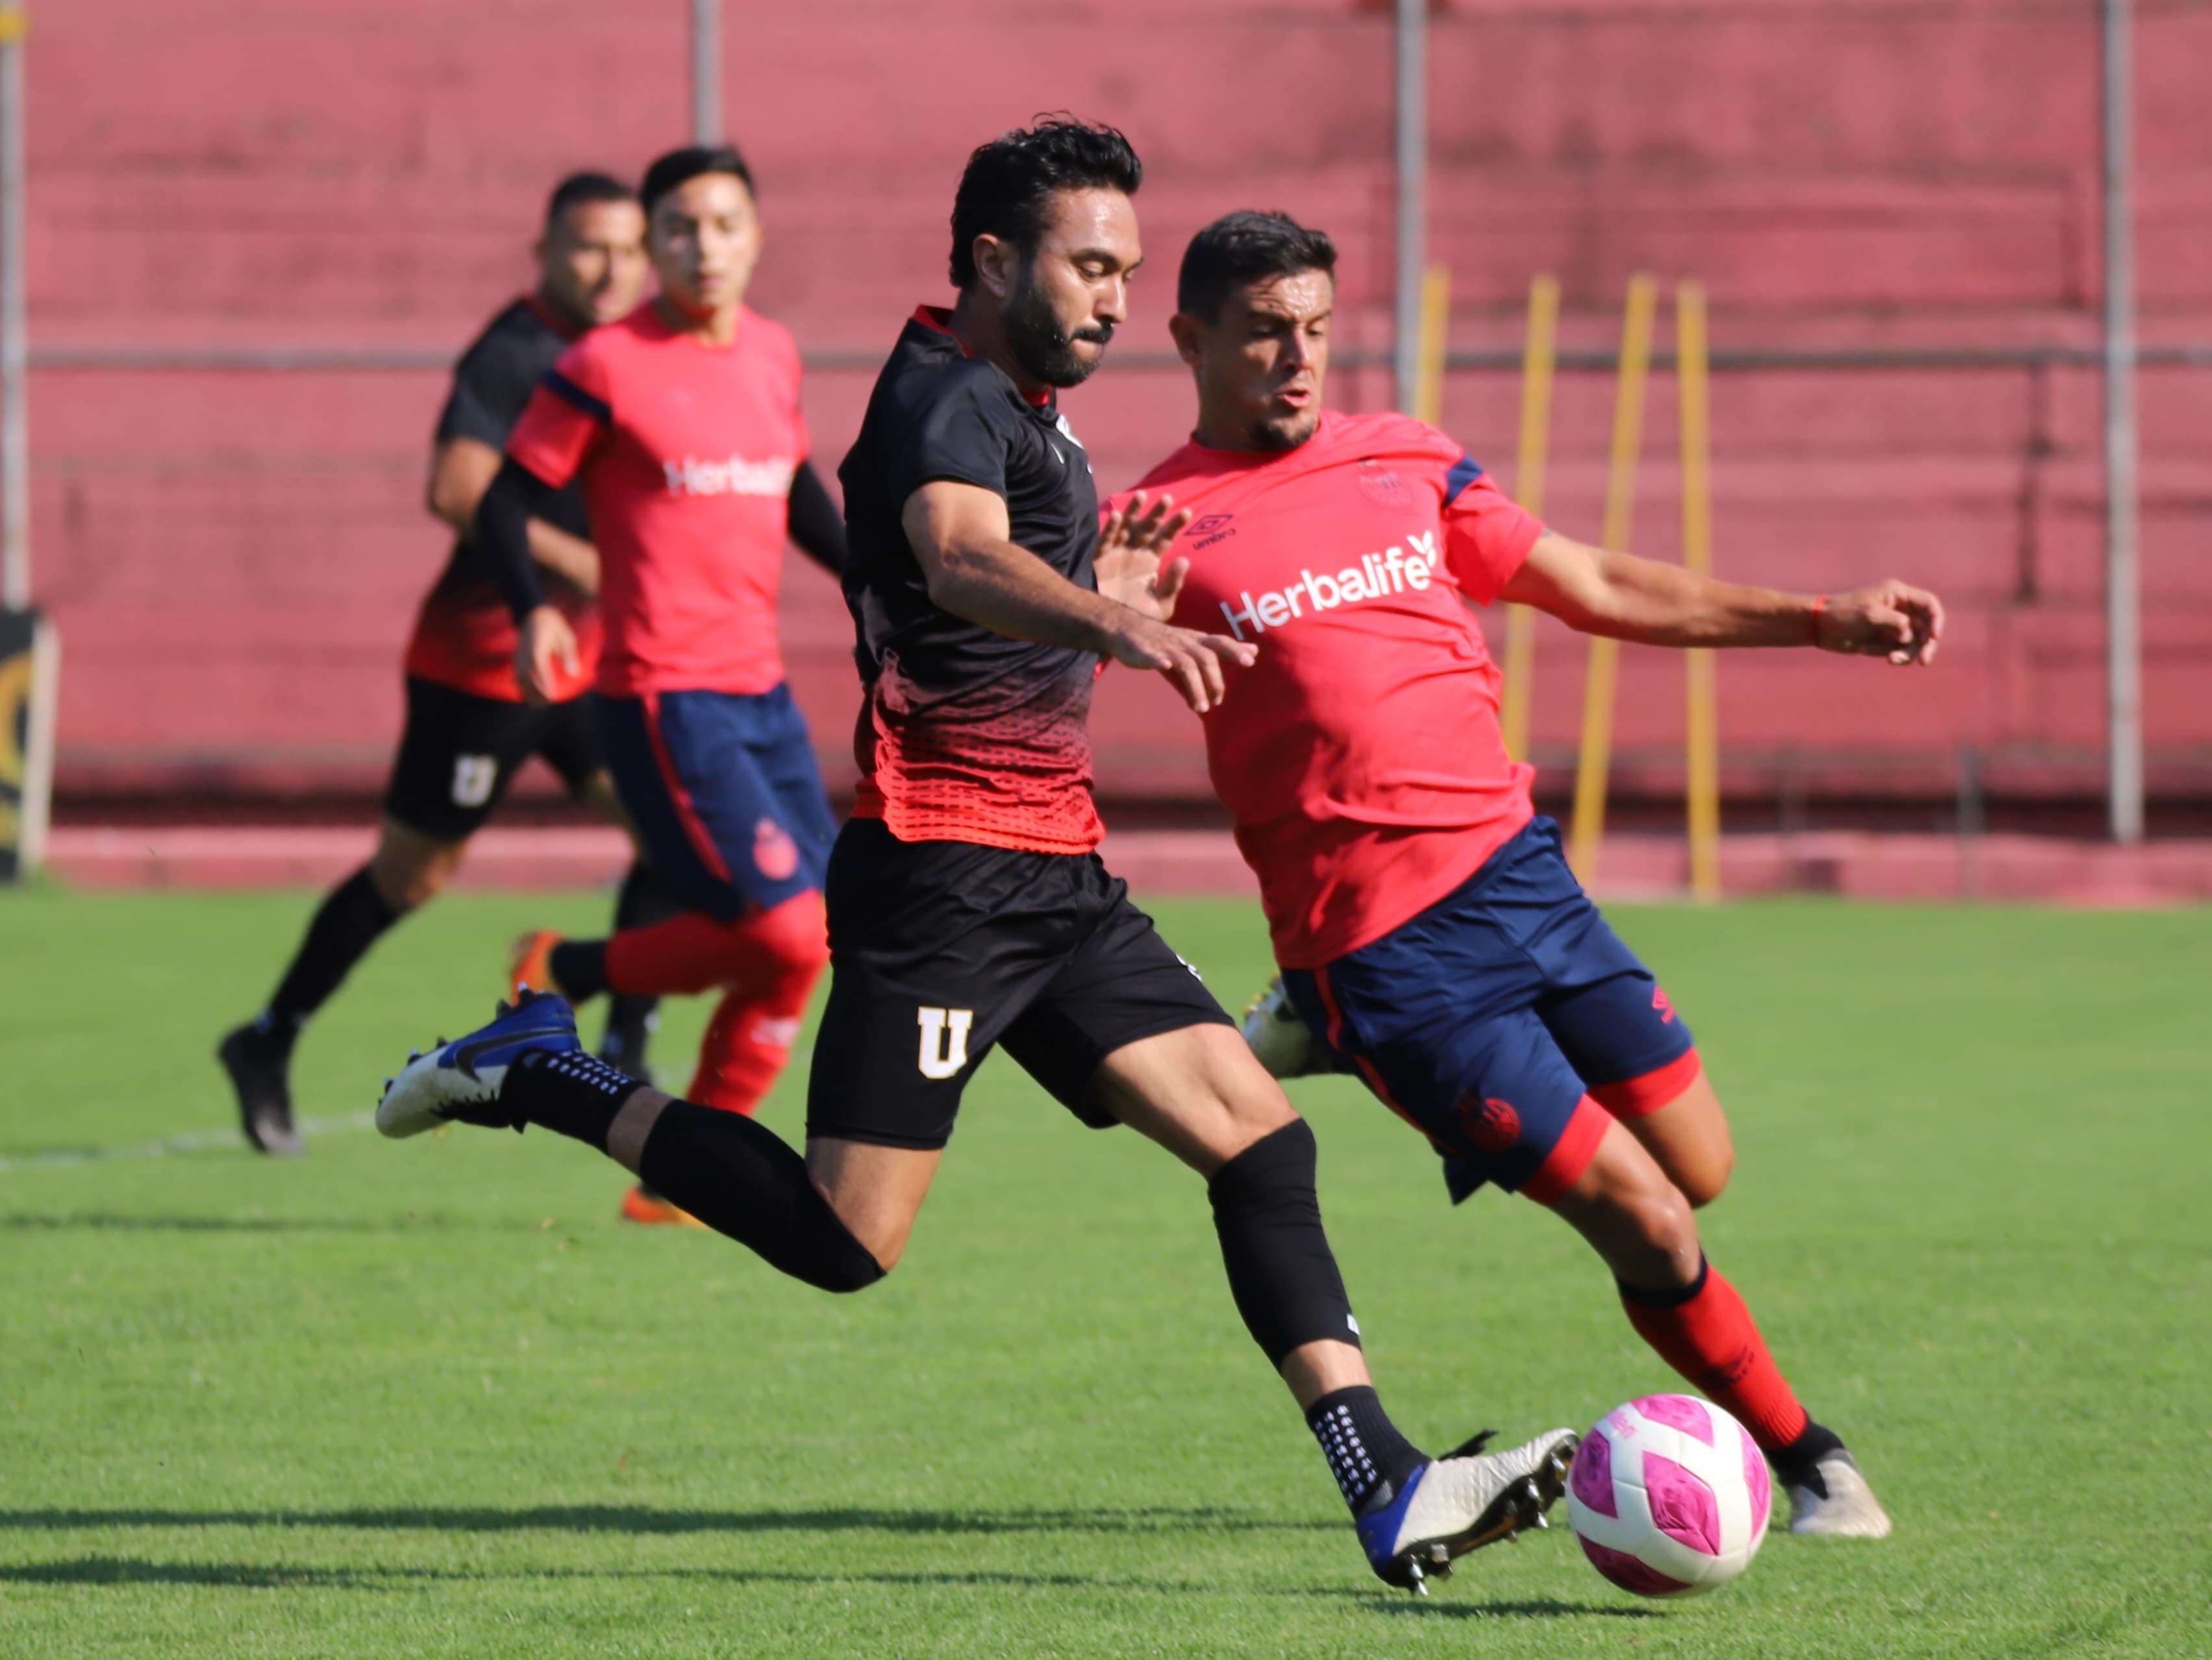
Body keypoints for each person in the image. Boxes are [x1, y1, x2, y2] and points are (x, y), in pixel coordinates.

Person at [375, 120, 1571, 1593]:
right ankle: (540, 1069)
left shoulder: (1024, 397)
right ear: (994, 259)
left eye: (1128, 271)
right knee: (842, 1241)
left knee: (1262, 1138)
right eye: (1090, 266)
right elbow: (953, 556)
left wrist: (1098, 585)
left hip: (1055, 874)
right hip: (939, 875)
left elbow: (986, 595)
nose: (1118, 299)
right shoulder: (942, 392)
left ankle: (1383, 1478)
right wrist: (1113, 614)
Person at [1106, 210, 1941, 1543]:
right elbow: (1024, 684)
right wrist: (1099, 608)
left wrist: (1818, 619)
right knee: (1651, 1222)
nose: (1296, 357)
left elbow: (1593, 580)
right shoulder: (1155, 522)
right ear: (1191, 338)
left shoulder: (1406, 458)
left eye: (1315, 328)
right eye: (1264, 331)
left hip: (1523, 879)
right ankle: (1811, 1459)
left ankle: (1311, 1027)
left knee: (1702, 1166)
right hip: (1391, 952)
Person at [217, 171, 665, 1158]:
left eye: (629, 248)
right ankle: (267, 1036)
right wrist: (582, 561)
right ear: (544, 250)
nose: (611, 268)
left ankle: (627, 1044)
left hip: (585, 665)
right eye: (590, 246)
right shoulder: (516, 351)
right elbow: (455, 485)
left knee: (670, 834)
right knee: (413, 876)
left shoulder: (630, 351)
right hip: (483, 664)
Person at [469, 144, 850, 1226]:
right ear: (652, 246)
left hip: (761, 694)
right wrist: (539, 604)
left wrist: (878, 581)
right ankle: (571, 970)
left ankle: (676, 1173)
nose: (704, 247)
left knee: (817, 934)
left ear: (756, 237)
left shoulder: (772, 353)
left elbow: (795, 492)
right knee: (784, 933)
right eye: (678, 230)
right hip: (658, 696)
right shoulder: (605, 364)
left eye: (724, 225)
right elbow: (504, 496)